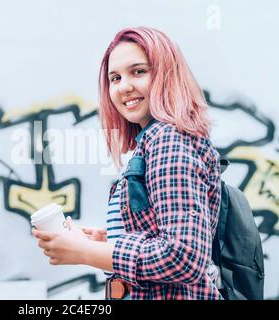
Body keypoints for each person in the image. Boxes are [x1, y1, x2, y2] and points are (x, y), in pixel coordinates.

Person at [32, 27, 222, 300]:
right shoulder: (152, 142)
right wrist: (107, 242)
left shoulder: (168, 139)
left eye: (138, 72)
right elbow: (163, 234)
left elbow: (184, 256)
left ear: (167, 74)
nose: (124, 87)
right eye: (115, 78)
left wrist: (84, 252)